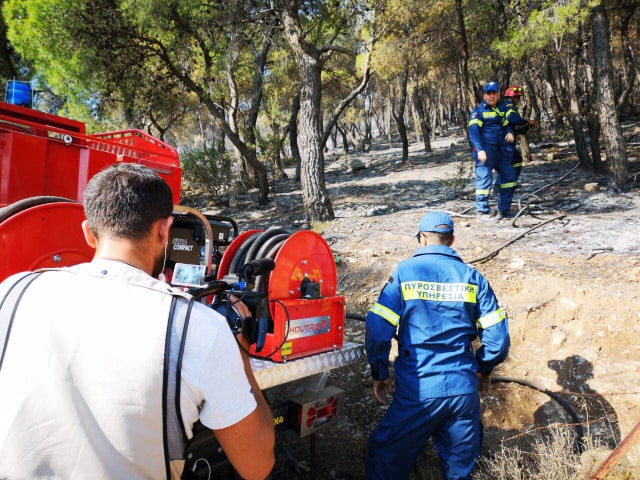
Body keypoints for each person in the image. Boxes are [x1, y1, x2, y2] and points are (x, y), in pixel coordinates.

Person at [0, 163, 275, 479]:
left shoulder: (12, 292)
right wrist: (239, 350)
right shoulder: (196, 327)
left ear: (88, 233)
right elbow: (257, 465)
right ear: (164, 230)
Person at [364, 211, 510, 480]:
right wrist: (484, 369)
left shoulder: (406, 272)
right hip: (463, 391)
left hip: (418, 390)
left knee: (385, 460)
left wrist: (380, 374)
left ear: (422, 239)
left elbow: (377, 329)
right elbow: (498, 339)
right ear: (452, 239)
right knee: (459, 472)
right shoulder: (473, 277)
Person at [468, 81, 518, 222]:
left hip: (500, 151)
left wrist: (509, 132)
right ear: (484, 95)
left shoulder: (499, 110)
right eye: (488, 94)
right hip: (485, 151)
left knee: (510, 176)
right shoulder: (478, 112)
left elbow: (506, 123)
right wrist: (480, 150)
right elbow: (473, 132)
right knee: (485, 179)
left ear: (498, 94)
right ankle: (482, 213)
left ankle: (504, 209)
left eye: (494, 93)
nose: (491, 96)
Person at [495, 85, 536, 190]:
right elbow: (512, 118)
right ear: (513, 97)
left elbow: (507, 126)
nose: (518, 100)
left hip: (503, 140)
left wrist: (521, 130)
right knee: (506, 162)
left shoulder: (502, 107)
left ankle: (510, 182)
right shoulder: (508, 106)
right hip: (504, 142)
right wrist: (527, 121)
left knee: (516, 160)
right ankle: (501, 185)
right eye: (518, 97)